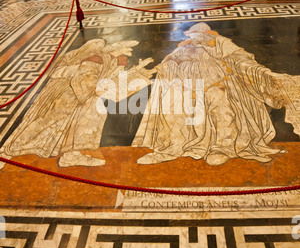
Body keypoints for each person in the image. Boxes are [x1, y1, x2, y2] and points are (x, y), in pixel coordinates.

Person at [132, 22, 300, 166]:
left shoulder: (222, 47)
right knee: (174, 103)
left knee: (221, 100)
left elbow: (243, 62)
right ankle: (171, 148)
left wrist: (260, 74)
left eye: (202, 36)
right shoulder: (183, 49)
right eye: (194, 36)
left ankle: (221, 147)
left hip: (216, 87)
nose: (197, 40)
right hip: (188, 87)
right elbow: (167, 66)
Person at [0, 39, 155, 169]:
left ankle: (71, 156)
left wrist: (135, 71)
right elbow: (86, 81)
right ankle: (7, 152)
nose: (128, 55)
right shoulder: (96, 58)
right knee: (45, 124)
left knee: (76, 124)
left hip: (81, 96)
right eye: (127, 50)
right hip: (66, 94)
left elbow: (105, 78)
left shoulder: (106, 60)